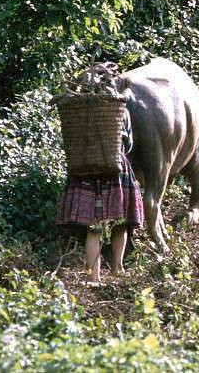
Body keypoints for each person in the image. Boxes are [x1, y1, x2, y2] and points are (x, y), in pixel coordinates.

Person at [56, 112, 144, 284]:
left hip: (85, 170)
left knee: (93, 228)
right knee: (120, 223)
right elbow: (129, 144)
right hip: (116, 167)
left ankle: (93, 277)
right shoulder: (120, 109)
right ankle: (118, 268)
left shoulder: (77, 112)